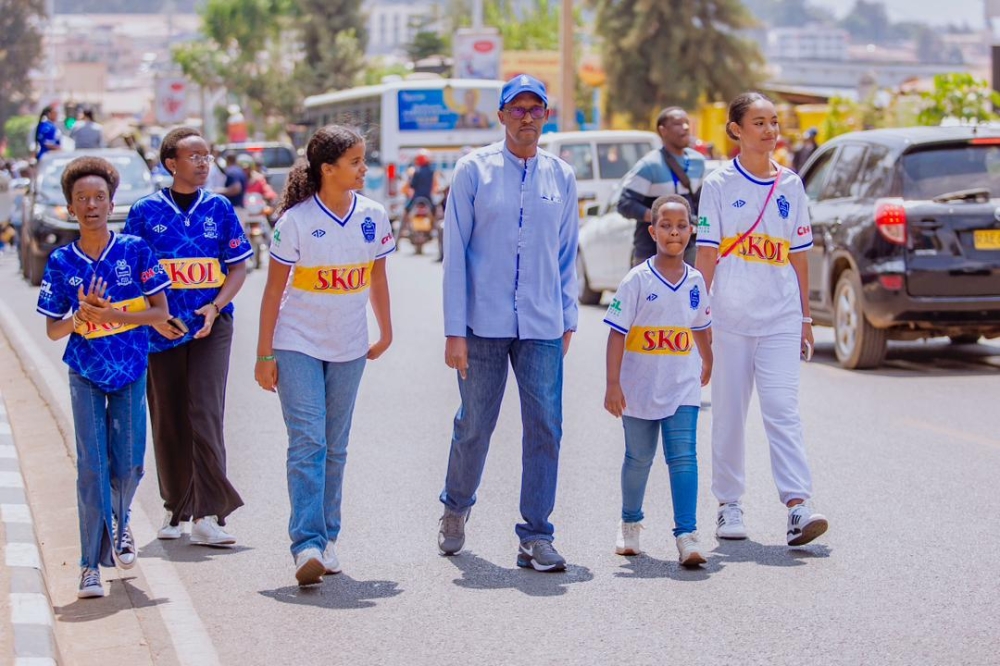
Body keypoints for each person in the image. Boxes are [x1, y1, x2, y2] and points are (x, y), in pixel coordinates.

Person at [437, 74, 579, 572]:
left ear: (545, 115)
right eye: (516, 109)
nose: (526, 117)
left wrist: (569, 317)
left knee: (546, 427)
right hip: (482, 324)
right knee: (475, 424)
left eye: (534, 109)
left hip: (542, 322)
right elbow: (455, 253)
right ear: (500, 117)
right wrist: (455, 330)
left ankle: (536, 535)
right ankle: (455, 507)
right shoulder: (473, 171)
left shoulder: (561, 176)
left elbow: (565, 255)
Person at [255, 125, 395, 586]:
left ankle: (329, 538)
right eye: (355, 162)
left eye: (363, 160)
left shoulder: (374, 215)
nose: (363, 168)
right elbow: (274, 292)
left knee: (335, 447)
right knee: (308, 442)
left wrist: (386, 330)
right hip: (296, 343)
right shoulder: (294, 221)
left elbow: (377, 278)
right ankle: (306, 544)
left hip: (350, 346)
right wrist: (265, 354)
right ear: (326, 169)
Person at [694, 92, 829, 547]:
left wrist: (807, 317)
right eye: (759, 122)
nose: (770, 131)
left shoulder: (791, 184)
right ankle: (729, 504)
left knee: (782, 410)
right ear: (736, 130)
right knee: (729, 414)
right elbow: (707, 253)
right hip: (730, 317)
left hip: (780, 316)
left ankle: (798, 506)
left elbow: (799, 255)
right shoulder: (717, 184)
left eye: (774, 122)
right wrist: (700, 317)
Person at [35, 157, 171, 598]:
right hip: (86, 373)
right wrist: (80, 317)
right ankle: (89, 565)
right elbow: (53, 329)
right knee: (92, 468)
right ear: (70, 208)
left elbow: (160, 313)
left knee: (128, 465)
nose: (91, 205)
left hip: (131, 368)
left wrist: (110, 313)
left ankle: (121, 520)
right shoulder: (60, 261)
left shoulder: (135, 250)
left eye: (98, 198)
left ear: (112, 203)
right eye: (81, 199)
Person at [124, 127, 252, 546]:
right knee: (168, 417)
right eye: (193, 156)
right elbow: (130, 273)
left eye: (207, 156)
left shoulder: (219, 208)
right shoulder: (144, 212)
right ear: (170, 163)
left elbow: (237, 267)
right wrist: (152, 317)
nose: (202, 163)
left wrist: (215, 307)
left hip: (210, 326)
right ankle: (175, 509)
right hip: (161, 331)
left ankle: (210, 515)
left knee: (205, 411)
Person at [604, 194, 713, 567]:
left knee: (684, 457)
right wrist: (613, 384)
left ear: (691, 231)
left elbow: (700, 325)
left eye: (682, 226)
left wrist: (708, 357)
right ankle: (630, 523)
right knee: (639, 458)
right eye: (666, 226)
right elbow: (617, 333)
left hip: (682, 383)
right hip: (640, 386)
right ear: (652, 231)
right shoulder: (637, 280)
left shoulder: (696, 280)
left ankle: (687, 535)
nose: (674, 233)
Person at [617, 107, 705, 267]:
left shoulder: (698, 162)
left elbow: (700, 204)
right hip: (650, 253)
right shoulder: (649, 165)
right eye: (678, 124)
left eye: (686, 123)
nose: (685, 128)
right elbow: (625, 204)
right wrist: (662, 220)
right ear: (662, 130)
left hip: (688, 250)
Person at [402, 149, 440, 239]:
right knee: (435, 211)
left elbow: (412, 185)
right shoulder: (432, 172)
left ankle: (403, 229)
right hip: (428, 198)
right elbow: (435, 186)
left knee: (406, 210)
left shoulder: (416, 171)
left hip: (416, 198)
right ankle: (434, 228)